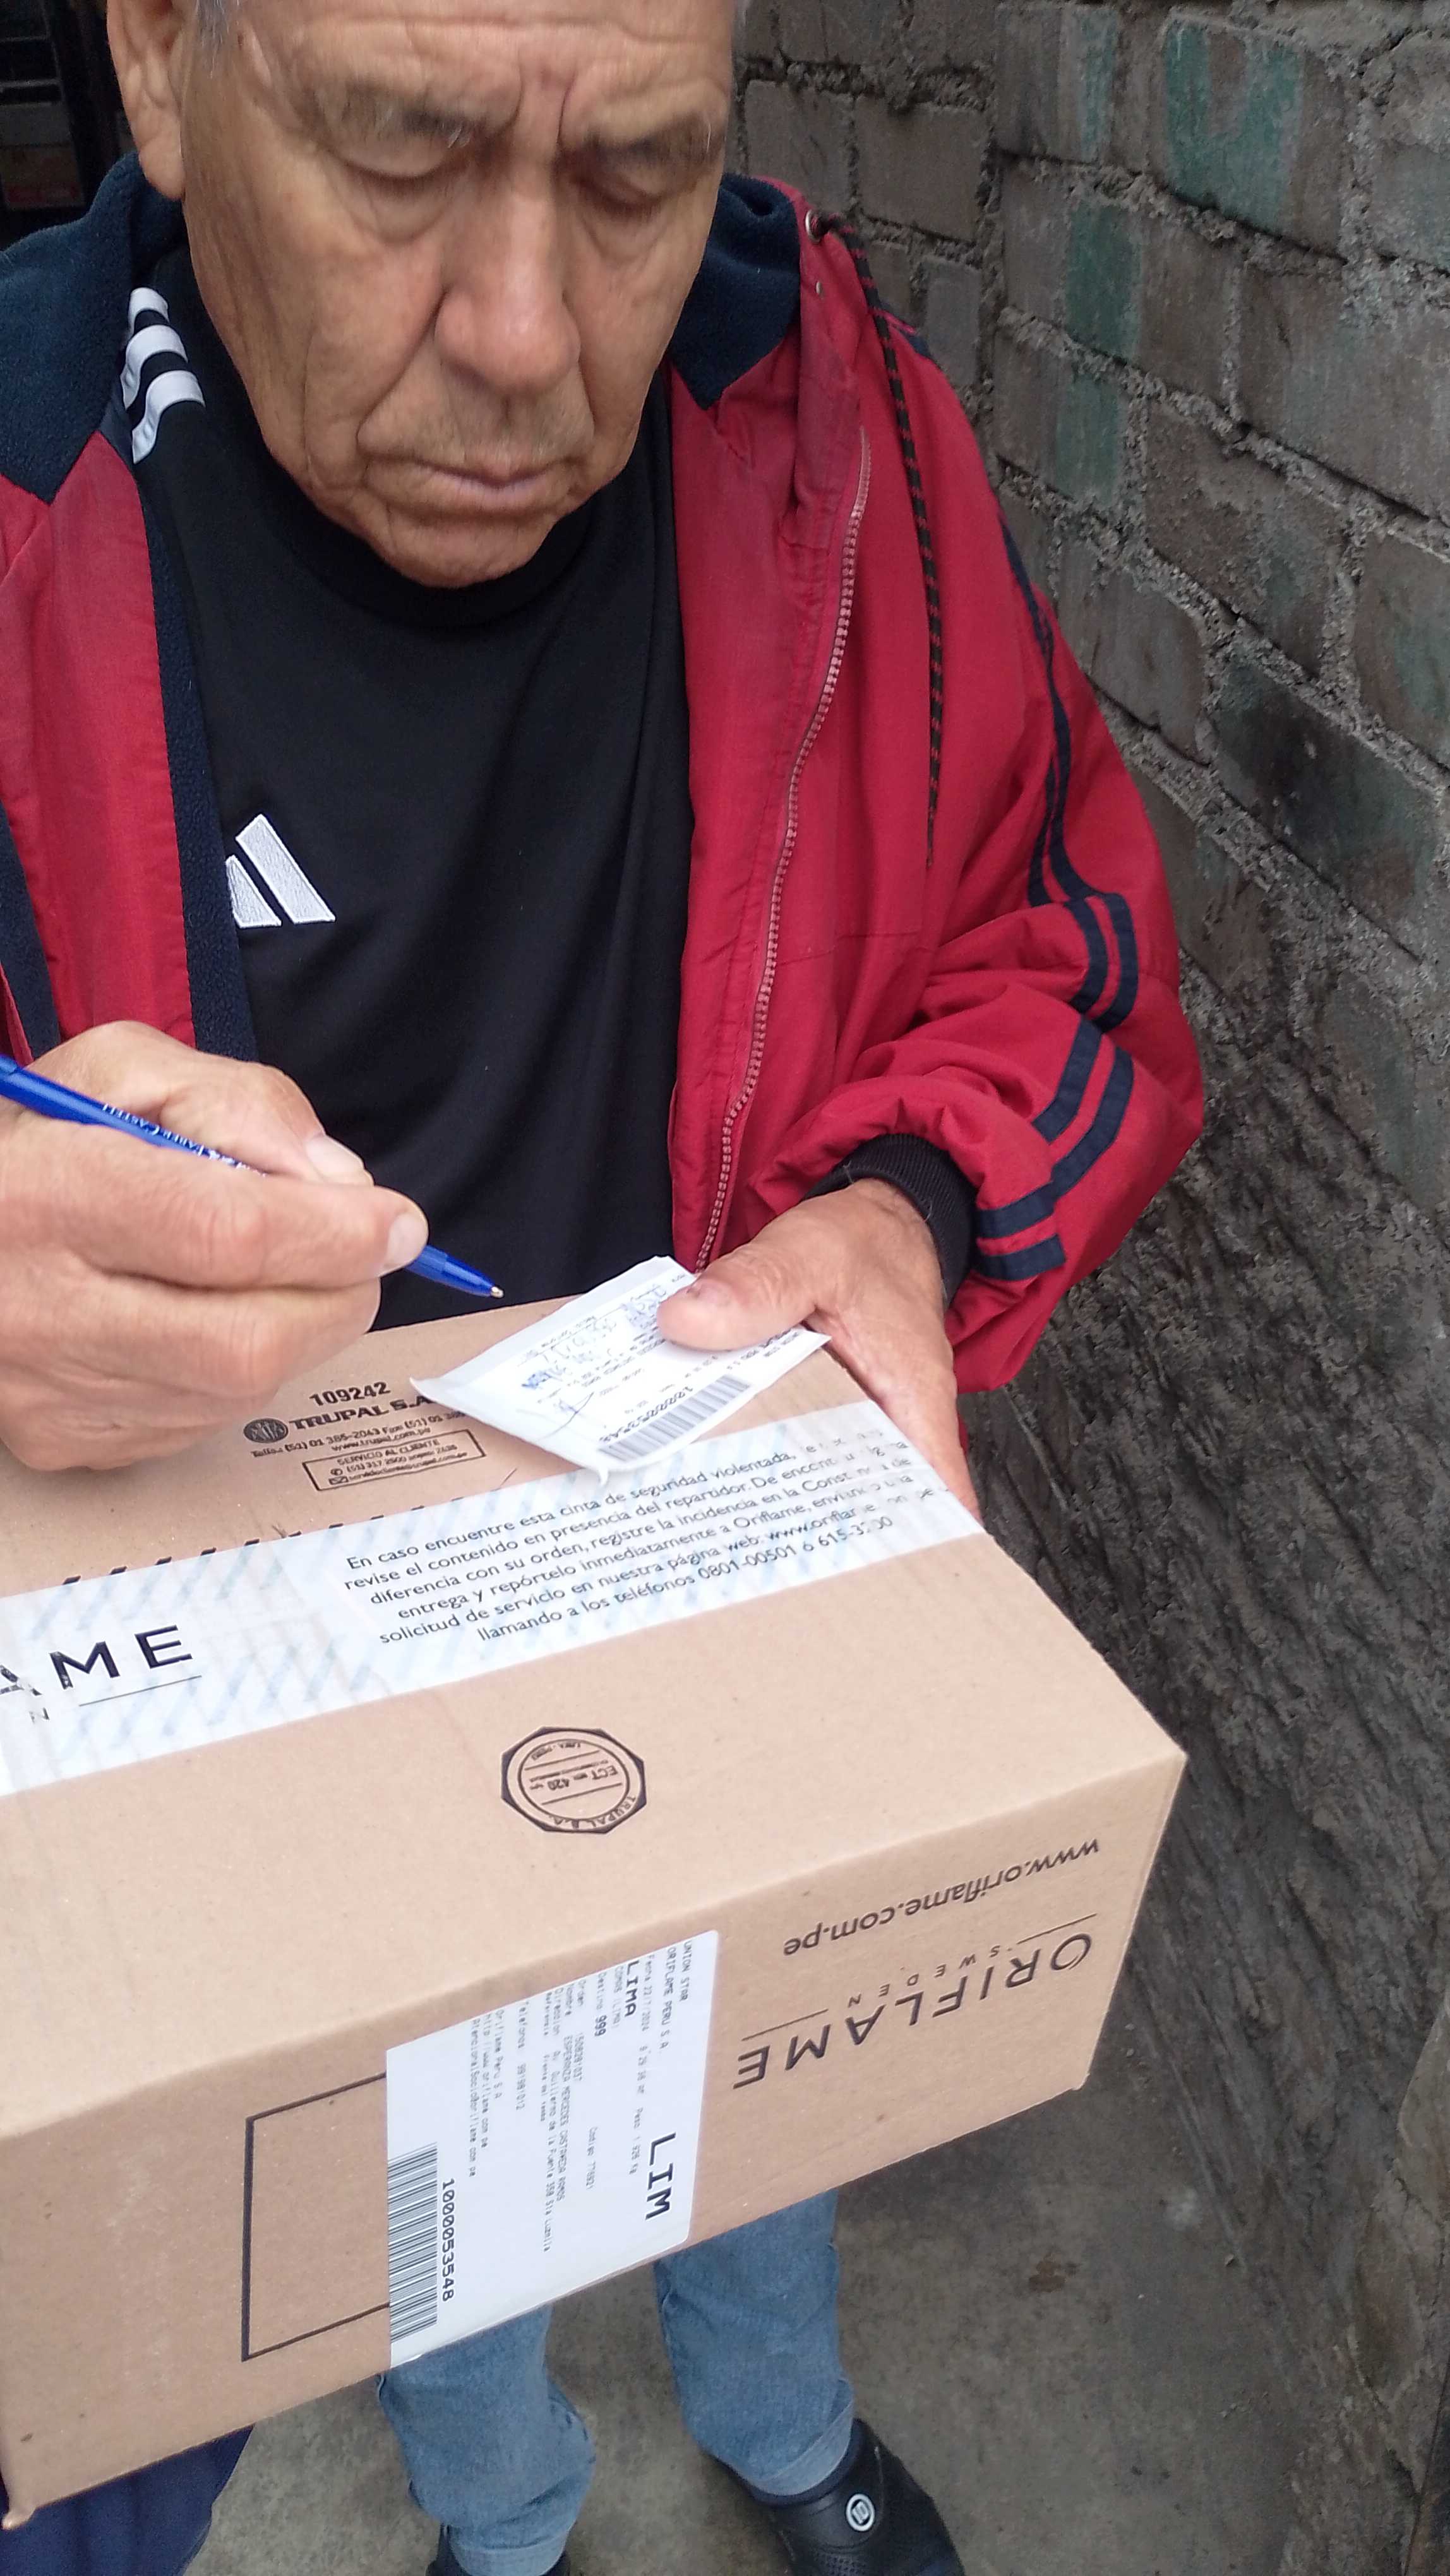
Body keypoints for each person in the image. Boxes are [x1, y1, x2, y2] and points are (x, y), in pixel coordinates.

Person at [0, 0, 1203, 2568]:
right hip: (287, 1687)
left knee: (749, 2068)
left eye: (640, 173)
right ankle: (510, 2515)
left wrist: (902, 1204)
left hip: (694, 1572)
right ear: (165, 62)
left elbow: (1063, 930)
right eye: (397, 153)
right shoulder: (14, 486)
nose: (530, 335)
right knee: (435, 2136)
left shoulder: (844, 436)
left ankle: (782, 2434)